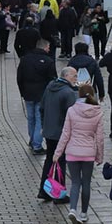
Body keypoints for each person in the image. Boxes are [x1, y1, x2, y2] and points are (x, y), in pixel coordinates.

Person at [54, 83, 105, 224]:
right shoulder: (98, 112)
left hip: (72, 152)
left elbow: (65, 133)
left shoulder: (71, 110)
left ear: (79, 94)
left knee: (75, 182)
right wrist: (100, 155)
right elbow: (100, 137)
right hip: (88, 152)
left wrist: (58, 153)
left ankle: (72, 209)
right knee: (86, 183)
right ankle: (84, 213)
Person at [38, 67, 78, 202]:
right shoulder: (68, 93)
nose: (76, 79)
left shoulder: (50, 86)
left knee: (50, 160)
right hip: (61, 132)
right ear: (66, 76)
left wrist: (44, 126)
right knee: (60, 162)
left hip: (49, 131)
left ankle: (44, 191)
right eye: (74, 76)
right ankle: (58, 195)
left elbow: (41, 107)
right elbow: (71, 116)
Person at [17, 39, 58, 154]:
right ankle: (37, 145)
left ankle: (32, 140)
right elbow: (53, 80)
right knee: (40, 119)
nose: (49, 49)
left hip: (28, 94)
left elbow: (19, 77)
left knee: (31, 118)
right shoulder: (48, 61)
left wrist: (22, 92)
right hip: (42, 95)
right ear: (45, 47)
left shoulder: (25, 60)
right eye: (49, 47)